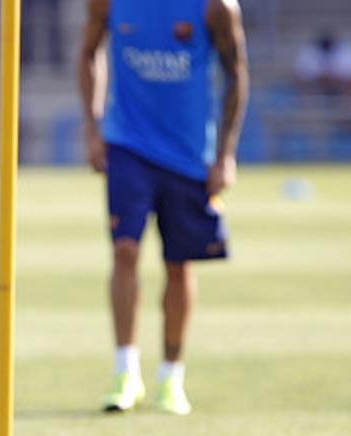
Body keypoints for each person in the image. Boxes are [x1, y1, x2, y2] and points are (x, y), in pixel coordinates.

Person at [78, 0, 249, 414]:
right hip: (127, 145)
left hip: (189, 154)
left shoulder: (215, 8)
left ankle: (171, 376)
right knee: (124, 250)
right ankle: (125, 372)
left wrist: (225, 153)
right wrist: (93, 126)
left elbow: (236, 72)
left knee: (179, 263)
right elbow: (88, 52)